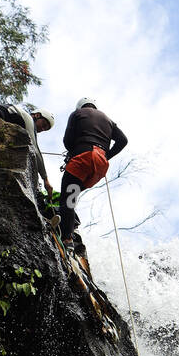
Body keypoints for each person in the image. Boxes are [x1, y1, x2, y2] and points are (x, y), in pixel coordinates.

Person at [59, 98, 128, 246]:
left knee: (67, 198)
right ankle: (68, 221)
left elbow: (67, 140)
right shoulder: (108, 120)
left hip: (82, 159)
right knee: (73, 194)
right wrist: (106, 155)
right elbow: (123, 140)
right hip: (100, 164)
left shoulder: (78, 113)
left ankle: (67, 238)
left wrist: (74, 152)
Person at [0, 102, 55, 195]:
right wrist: (45, 179)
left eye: (45, 129)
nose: (42, 129)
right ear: (37, 115)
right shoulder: (28, 119)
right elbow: (35, 151)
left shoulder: (17, 117)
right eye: (43, 124)